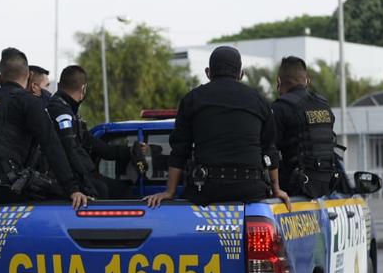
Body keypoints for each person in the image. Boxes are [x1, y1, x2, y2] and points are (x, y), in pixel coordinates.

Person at [144, 46, 291, 209]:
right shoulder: (260, 101)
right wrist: (277, 189)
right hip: (250, 190)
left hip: (205, 190)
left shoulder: (192, 99)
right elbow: (269, 150)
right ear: (241, 74)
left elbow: (179, 150)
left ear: (208, 72)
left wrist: (169, 192)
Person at [0, 48, 88, 209]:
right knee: (64, 193)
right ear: (29, 76)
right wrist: (73, 189)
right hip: (6, 184)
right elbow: (51, 144)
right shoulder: (27, 101)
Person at [48, 65, 148, 198]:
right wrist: (80, 186)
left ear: (59, 85)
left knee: (122, 189)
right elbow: (70, 151)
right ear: (83, 88)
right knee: (105, 190)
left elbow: (99, 147)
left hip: (81, 177)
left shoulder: (70, 113)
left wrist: (130, 151)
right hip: (74, 182)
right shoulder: (61, 112)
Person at [271, 56, 342, 198]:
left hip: (295, 187)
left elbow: (269, 149)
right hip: (327, 184)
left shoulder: (281, 108)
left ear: (279, 82)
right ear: (307, 81)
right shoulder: (324, 105)